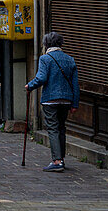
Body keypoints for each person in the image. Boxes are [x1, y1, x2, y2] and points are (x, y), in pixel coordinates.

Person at [26, 32, 80, 172]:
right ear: (60, 44)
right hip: (66, 99)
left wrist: (30, 86)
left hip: (50, 99)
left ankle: (56, 161)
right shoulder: (70, 59)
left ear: (46, 45)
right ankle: (61, 158)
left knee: (53, 129)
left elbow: (42, 78)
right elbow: (75, 84)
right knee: (61, 128)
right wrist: (74, 103)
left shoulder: (45, 59)